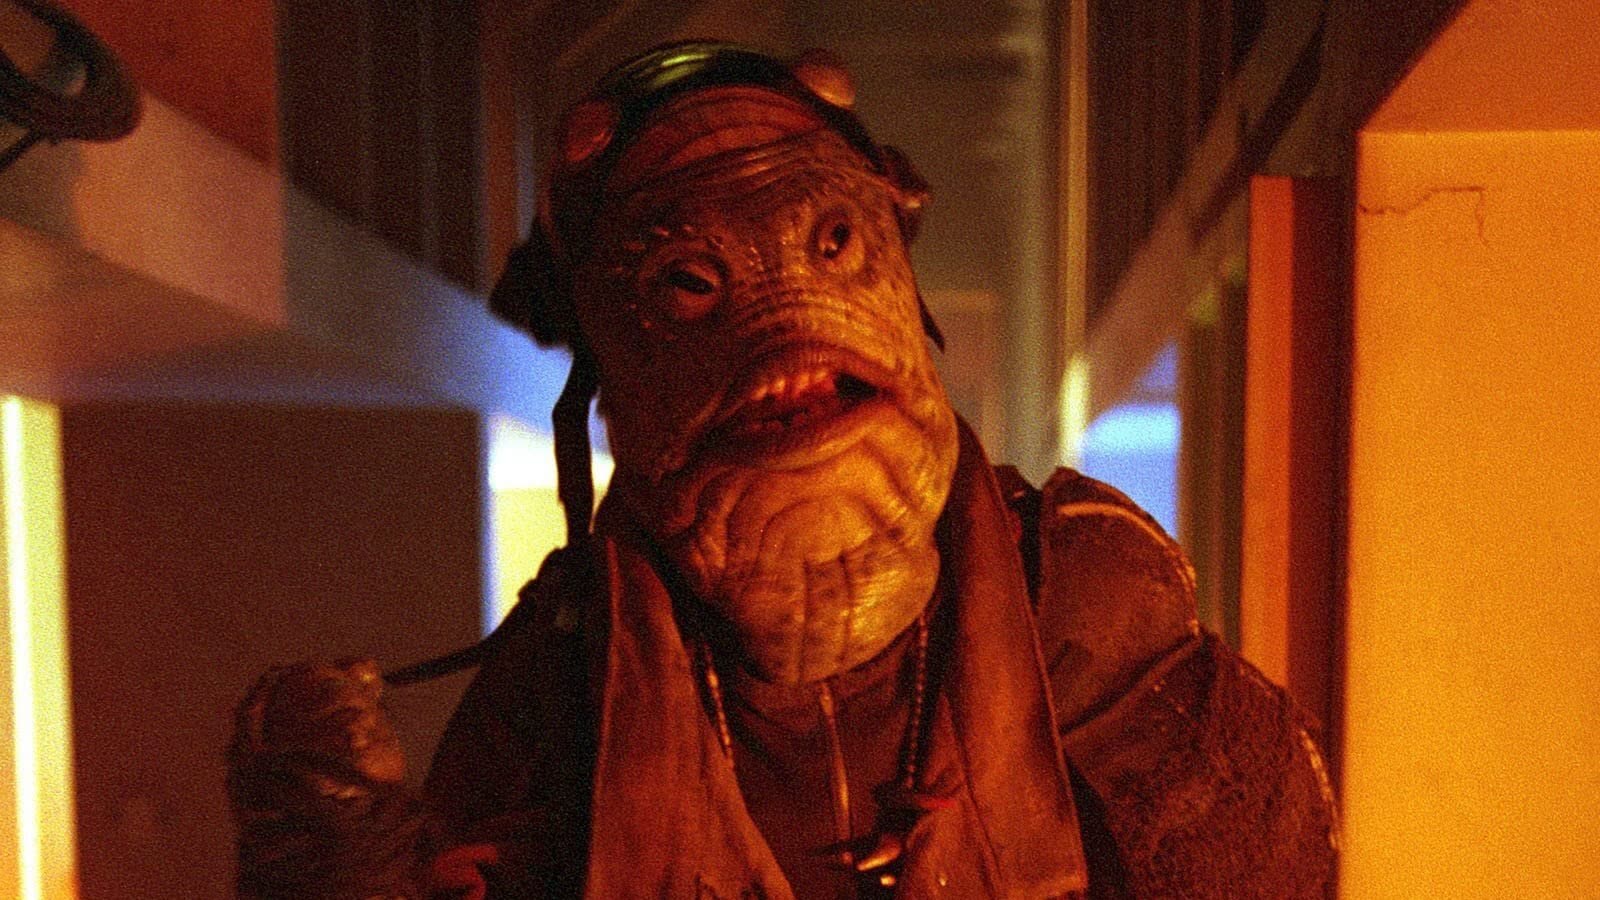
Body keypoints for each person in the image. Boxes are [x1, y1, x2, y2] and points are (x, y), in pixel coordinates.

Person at [229, 42, 1337, 899]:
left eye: (828, 240)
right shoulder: (566, 673)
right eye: (687, 279)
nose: (782, 316)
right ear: (616, 380)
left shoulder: (1081, 598)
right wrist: (341, 859)